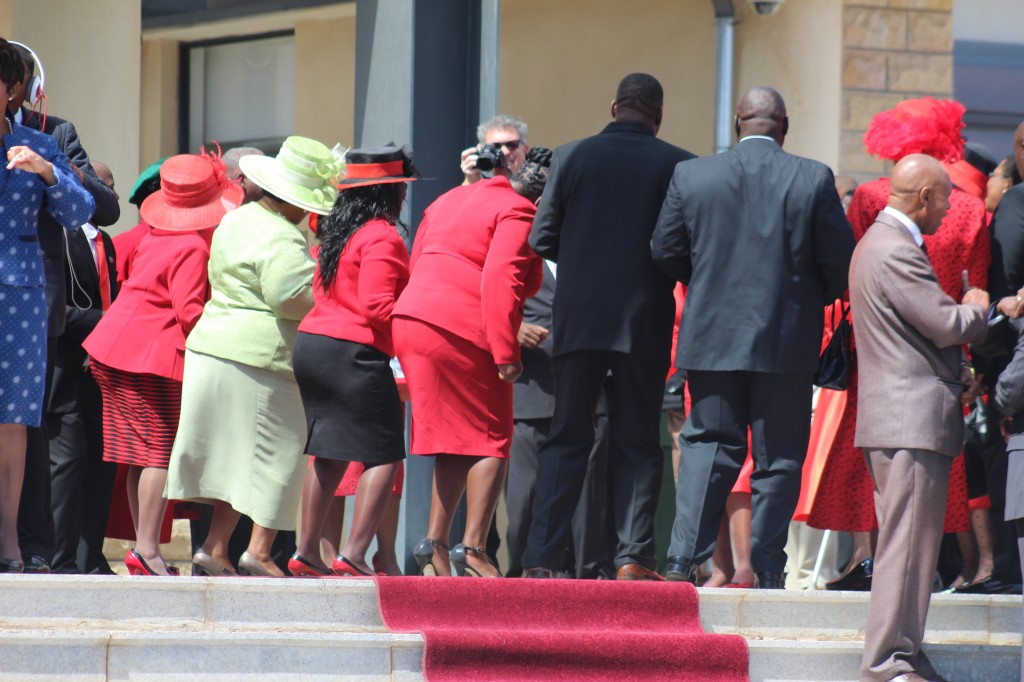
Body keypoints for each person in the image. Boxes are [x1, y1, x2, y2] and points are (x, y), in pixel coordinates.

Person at [653, 86, 854, 588]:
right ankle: (766, 566)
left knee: (706, 446)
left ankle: (681, 562)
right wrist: (806, 298)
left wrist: (706, 284)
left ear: (738, 123)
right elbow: (838, 262)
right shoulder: (812, 178)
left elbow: (665, 250)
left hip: (711, 337)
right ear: (782, 125)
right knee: (779, 458)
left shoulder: (693, 174)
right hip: (786, 343)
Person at [805, 98, 990, 593]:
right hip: (943, 353)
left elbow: (852, 275)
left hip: (879, 351)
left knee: (873, 463)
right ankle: (924, 565)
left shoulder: (870, 199)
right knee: (933, 469)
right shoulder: (969, 208)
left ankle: (872, 561)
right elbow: (978, 286)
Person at [520, 73, 694, 581]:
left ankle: (540, 558)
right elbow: (680, 248)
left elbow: (542, 237)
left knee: (567, 436)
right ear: (657, 116)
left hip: (578, 320)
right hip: (644, 319)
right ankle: (633, 557)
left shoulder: (572, 156)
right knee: (639, 439)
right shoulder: (678, 164)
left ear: (614, 105)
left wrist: (583, 262)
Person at [163, 136, 338, 578]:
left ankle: (214, 546)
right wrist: (329, 295)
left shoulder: (237, 218)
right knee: (279, 457)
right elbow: (287, 295)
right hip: (259, 358)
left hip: (214, 347)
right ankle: (259, 552)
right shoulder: (280, 233)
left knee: (233, 459)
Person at [850, 154, 989, 682]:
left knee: (911, 546)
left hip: (903, 416)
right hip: (909, 420)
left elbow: (913, 336)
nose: (950, 207)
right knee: (907, 548)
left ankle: (903, 651)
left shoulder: (881, 243)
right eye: (946, 197)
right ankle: (888, 660)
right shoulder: (894, 248)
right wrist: (978, 304)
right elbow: (943, 321)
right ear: (925, 196)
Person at [392, 147, 551, 578]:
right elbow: (502, 279)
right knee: (492, 434)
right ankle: (475, 547)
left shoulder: (446, 200)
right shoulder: (517, 210)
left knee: (453, 437)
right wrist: (506, 353)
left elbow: (416, 260)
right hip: (459, 325)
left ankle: (435, 543)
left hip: (412, 319)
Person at [82, 153, 241, 576]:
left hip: (115, 350)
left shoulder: (155, 237)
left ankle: (143, 547)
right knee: (157, 454)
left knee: (138, 456)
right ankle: (147, 551)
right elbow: (189, 311)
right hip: (150, 358)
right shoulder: (191, 246)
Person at [10, 40, 120, 575]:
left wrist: (52, 170)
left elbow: (102, 205)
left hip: (32, 300)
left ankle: (38, 549)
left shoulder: (54, 133)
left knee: (37, 433)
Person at [288, 144, 417, 578]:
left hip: (314, 345)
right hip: (353, 350)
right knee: (384, 455)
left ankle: (306, 552)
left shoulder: (337, 232)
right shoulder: (382, 235)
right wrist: (413, 337)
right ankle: (355, 555)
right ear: (391, 192)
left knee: (326, 452)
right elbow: (379, 306)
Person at [505, 260, 615, 579]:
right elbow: (487, 302)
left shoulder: (594, 251)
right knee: (524, 494)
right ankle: (527, 569)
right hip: (533, 390)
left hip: (589, 387)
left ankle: (589, 573)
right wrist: (512, 330)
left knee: (588, 488)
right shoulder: (519, 253)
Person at [47, 161, 119, 574]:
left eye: (109, 188)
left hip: (102, 366)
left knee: (103, 459)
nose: (104, 196)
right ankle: (58, 556)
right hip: (66, 362)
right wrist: (108, 324)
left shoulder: (104, 241)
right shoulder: (59, 234)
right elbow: (56, 307)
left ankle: (89, 555)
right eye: (97, 188)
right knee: (69, 458)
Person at [460, 114, 529, 185]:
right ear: (481, 151)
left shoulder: (537, 190)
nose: (505, 152)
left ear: (525, 150)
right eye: (495, 147)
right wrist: (470, 181)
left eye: (511, 145)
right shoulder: (476, 191)